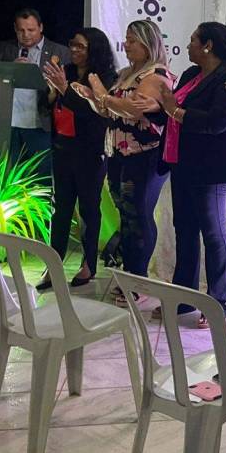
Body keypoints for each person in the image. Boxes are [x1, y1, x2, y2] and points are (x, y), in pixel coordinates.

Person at [77, 19, 172, 301]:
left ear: (148, 43)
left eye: (132, 40)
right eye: (126, 39)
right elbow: (111, 111)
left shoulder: (156, 74)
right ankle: (130, 274)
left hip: (145, 155)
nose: (126, 45)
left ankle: (138, 281)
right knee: (126, 215)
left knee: (138, 215)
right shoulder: (127, 73)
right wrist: (93, 97)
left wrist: (102, 93)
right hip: (119, 153)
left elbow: (133, 110)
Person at [158, 22, 226, 327]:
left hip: (211, 169)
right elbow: (171, 109)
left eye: (193, 40)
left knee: (213, 234)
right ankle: (184, 298)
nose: (188, 44)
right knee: (185, 230)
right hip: (183, 163)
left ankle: (218, 302)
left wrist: (175, 111)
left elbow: (218, 122)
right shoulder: (192, 74)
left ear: (208, 45)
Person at [38, 28, 117, 291]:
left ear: (94, 49)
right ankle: (53, 265)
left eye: (80, 46)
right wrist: (52, 92)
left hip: (89, 152)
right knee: (60, 210)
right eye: (72, 44)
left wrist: (65, 90)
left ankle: (89, 264)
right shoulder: (67, 71)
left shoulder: (104, 78)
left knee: (88, 210)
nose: (74, 49)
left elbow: (96, 115)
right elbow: (46, 104)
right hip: (62, 148)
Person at [0, 8, 70, 178]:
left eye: (31, 30)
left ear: (41, 27)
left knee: (42, 177)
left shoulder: (59, 51)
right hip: (9, 123)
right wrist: (10, 68)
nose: (26, 35)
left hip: (41, 123)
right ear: (15, 29)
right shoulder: (5, 49)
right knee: (7, 175)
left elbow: (68, 88)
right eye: (21, 30)